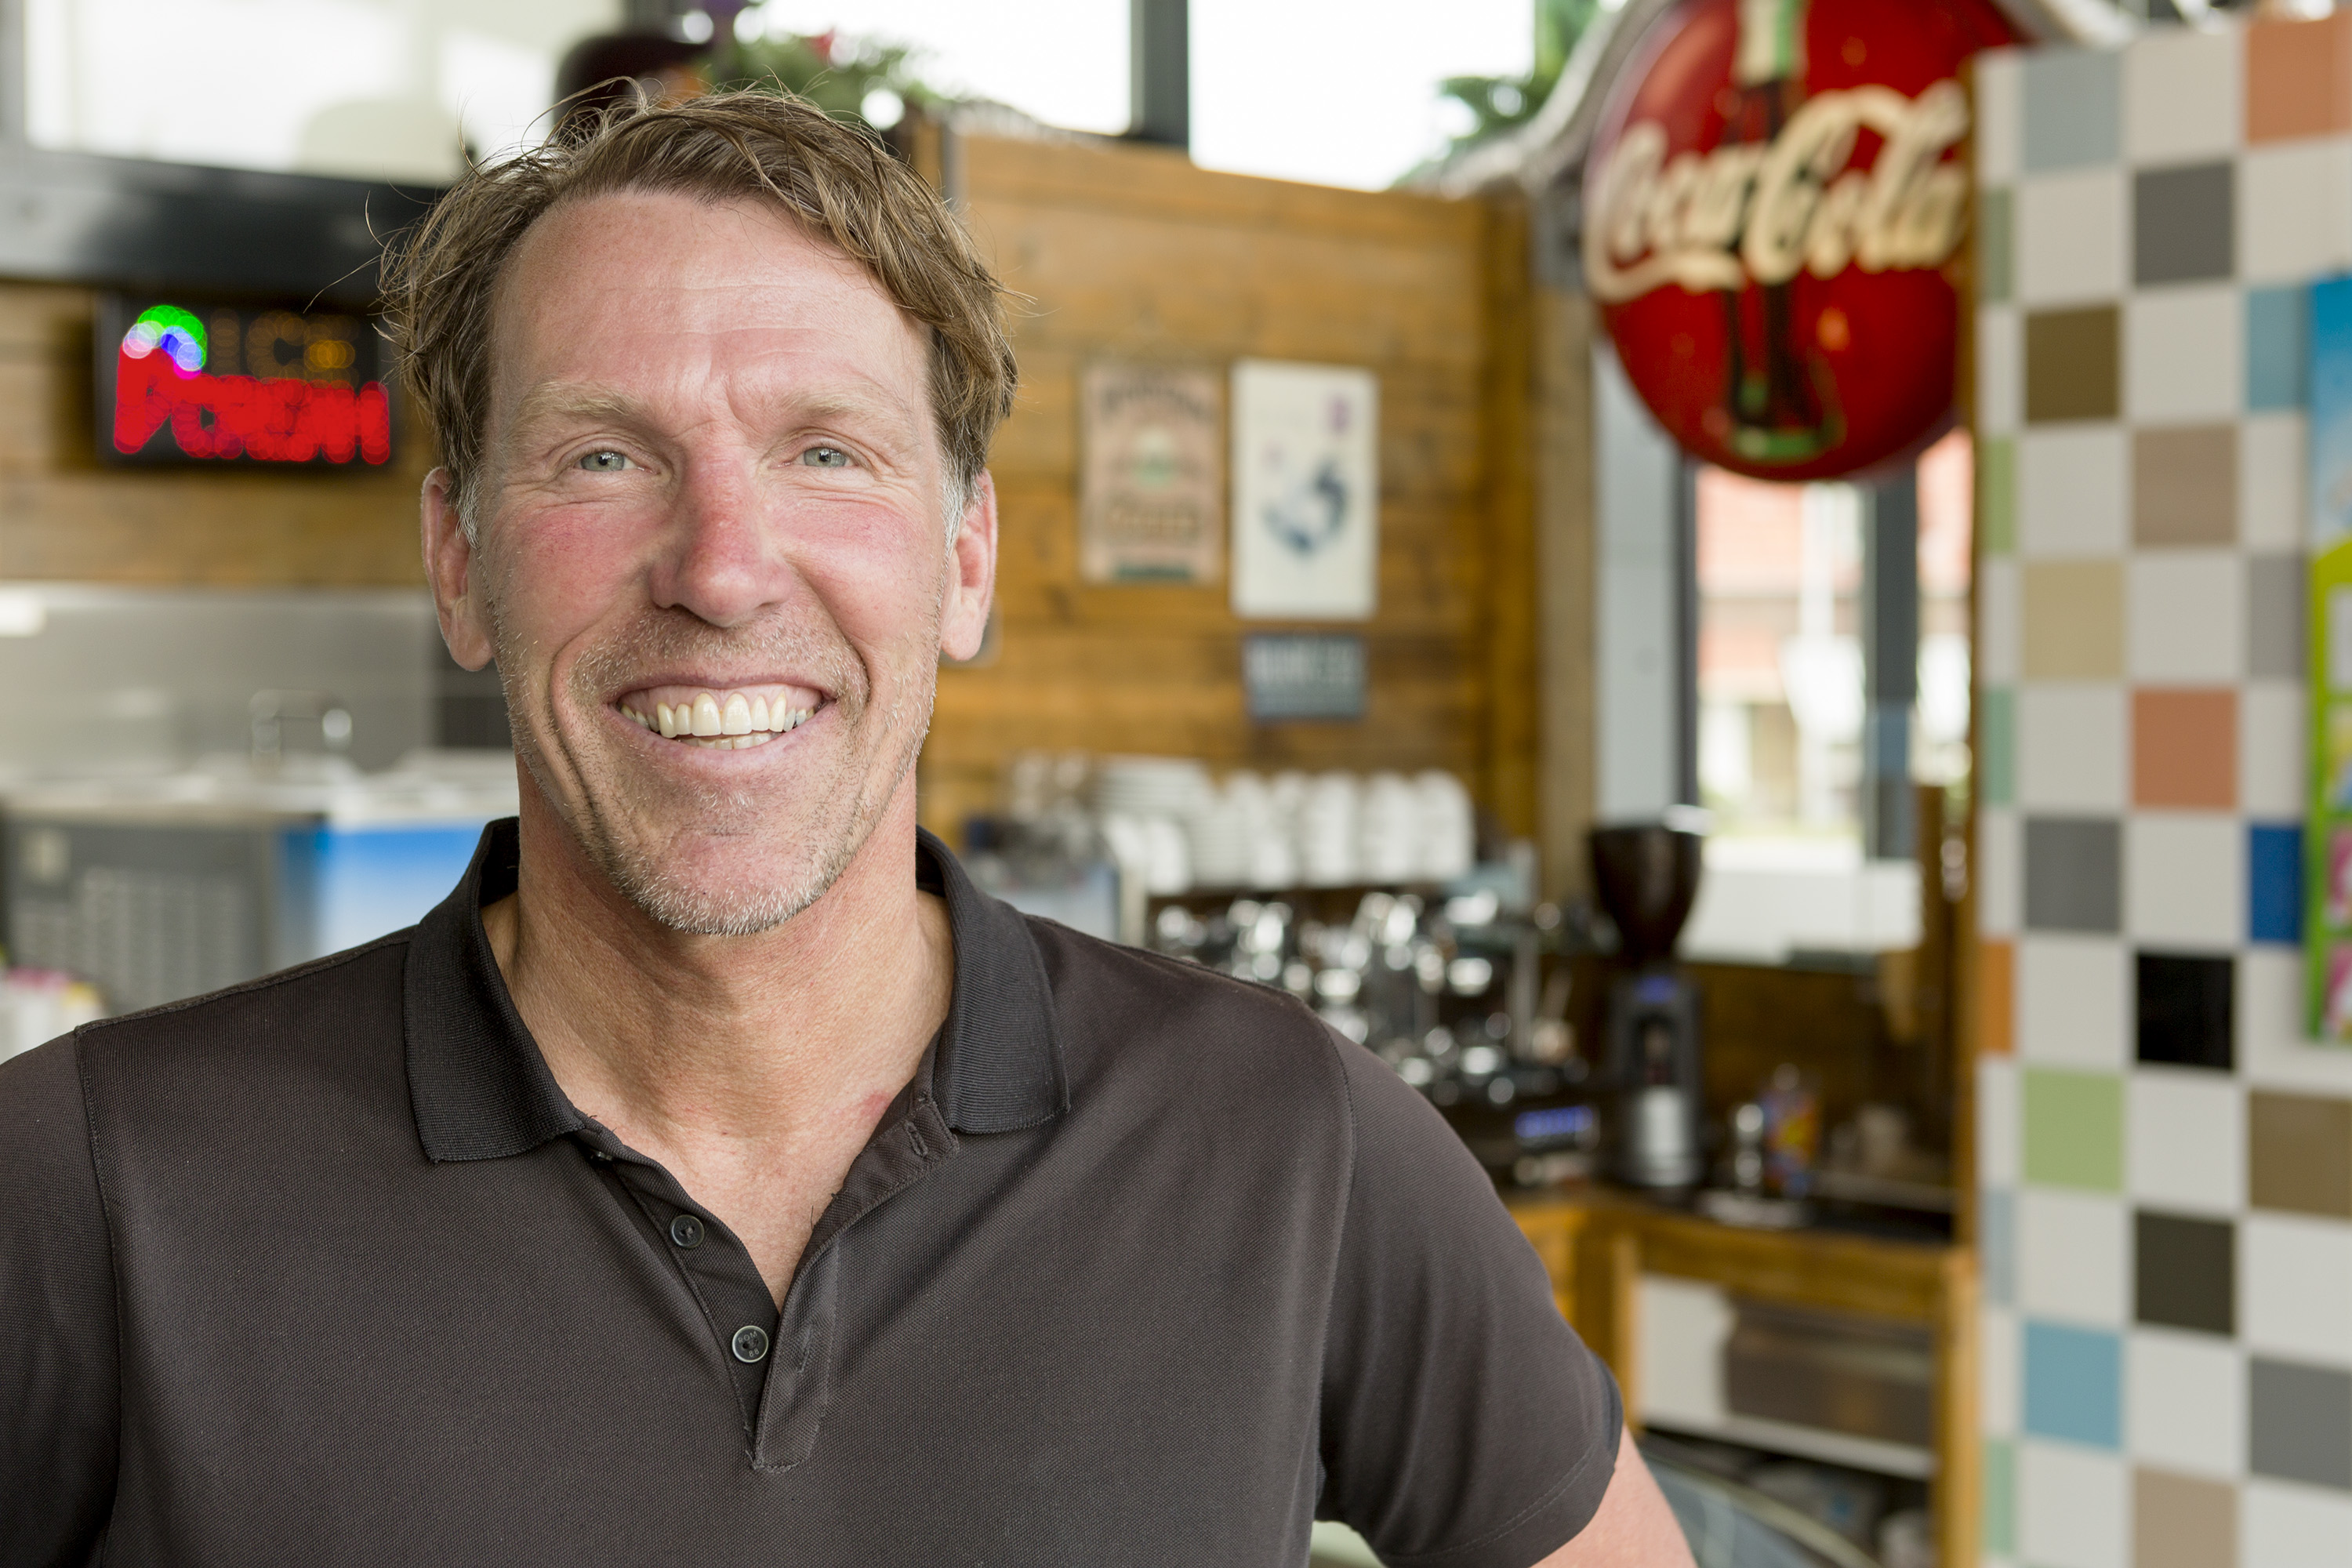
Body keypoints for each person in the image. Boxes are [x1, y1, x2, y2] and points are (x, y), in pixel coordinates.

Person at [0, 92, 1693, 1566]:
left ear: (966, 561)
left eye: (826, 452)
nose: (724, 569)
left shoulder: (1288, 1140)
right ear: (460, 562)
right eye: (604, 458)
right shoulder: (89, 1184)